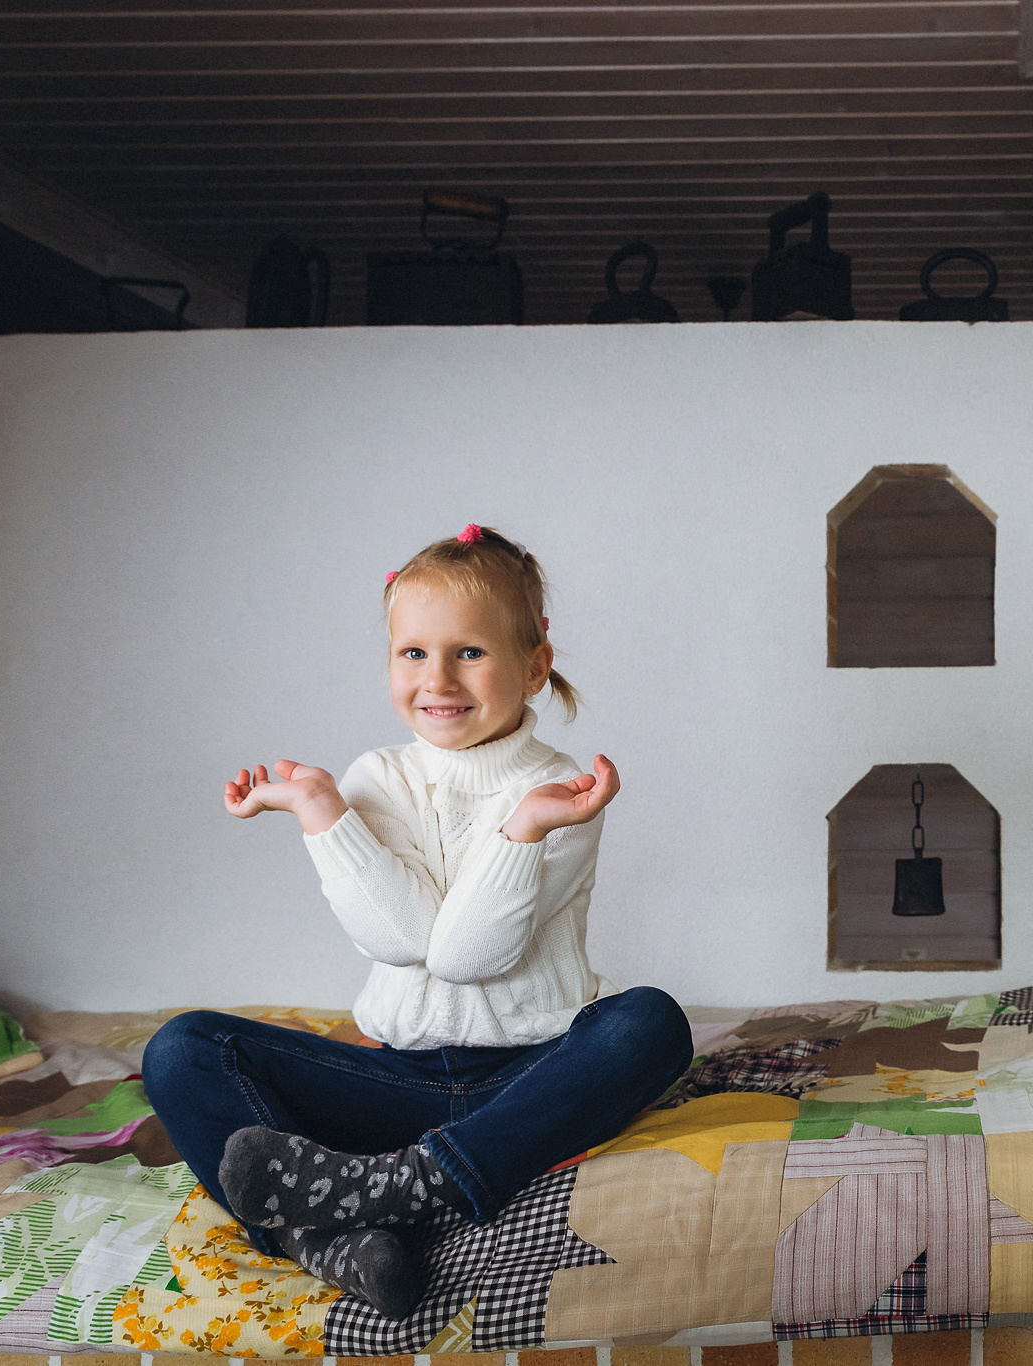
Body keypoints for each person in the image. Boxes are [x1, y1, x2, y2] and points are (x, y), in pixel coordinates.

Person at [142, 523, 693, 1321]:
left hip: (529, 1076)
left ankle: (413, 1187)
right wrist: (323, 812)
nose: (438, 678)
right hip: (393, 1081)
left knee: (649, 1023)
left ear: (535, 664)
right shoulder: (376, 778)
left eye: (469, 652)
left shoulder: (561, 790)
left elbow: (470, 955)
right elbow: (401, 941)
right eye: (413, 653)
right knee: (183, 1049)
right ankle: (324, 1238)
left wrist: (522, 833)